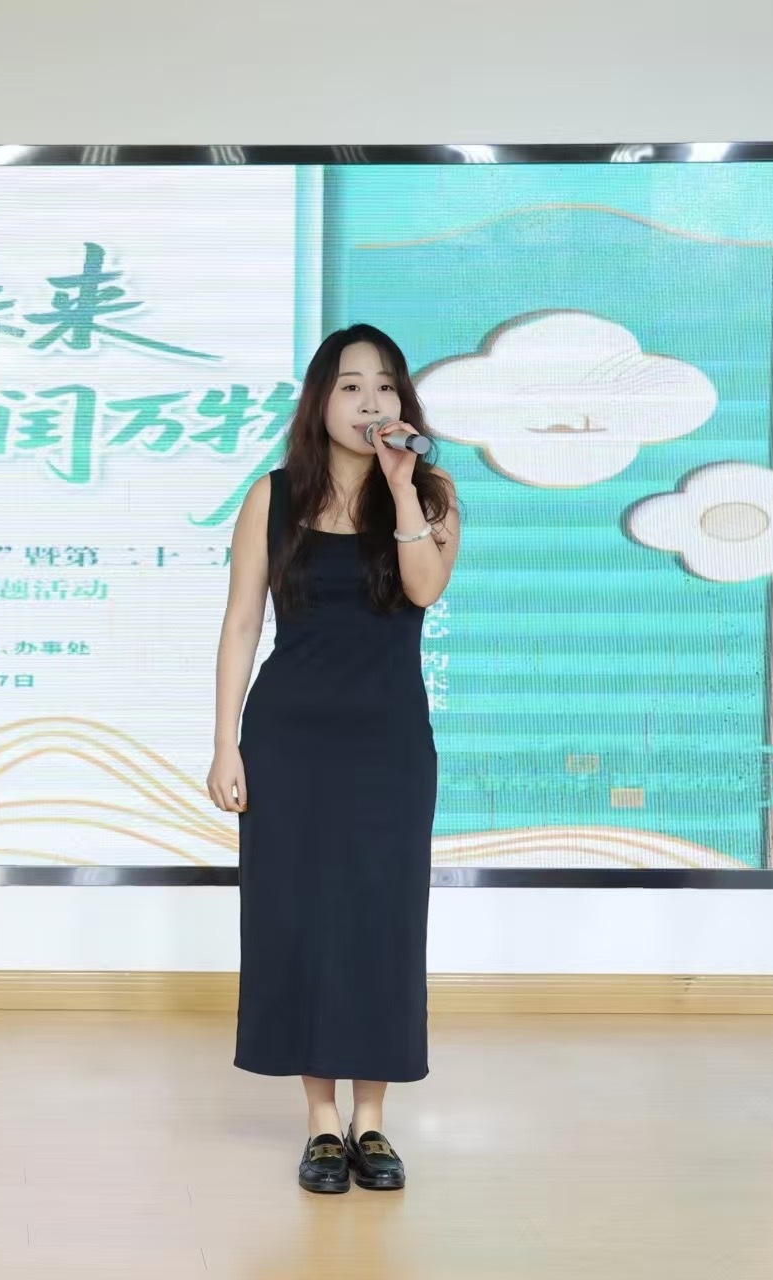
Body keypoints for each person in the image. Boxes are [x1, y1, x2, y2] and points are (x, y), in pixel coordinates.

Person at [207, 323, 461, 1194]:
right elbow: (242, 621)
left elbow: (424, 588)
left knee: (382, 920)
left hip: (390, 745)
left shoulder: (432, 495)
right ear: (320, 401)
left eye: (385, 386)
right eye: (350, 386)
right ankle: (321, 1123)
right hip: (289, 741)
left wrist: (400, 487)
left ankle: (372, 1121)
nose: (369, 402)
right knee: (303, 919)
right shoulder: (272, 496)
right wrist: (225, 742)